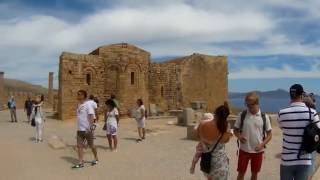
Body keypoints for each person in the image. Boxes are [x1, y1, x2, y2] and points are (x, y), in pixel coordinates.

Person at [278, 84, 320, 180]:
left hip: (287, 160)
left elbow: (282, 127)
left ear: (290, 95)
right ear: (302, 95)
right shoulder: (312, 113)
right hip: (304, 160)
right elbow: (318, 130)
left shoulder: (282, 113)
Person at [234, 92, 272, 180]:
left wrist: (262, 145)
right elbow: (235, 130)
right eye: (247, 104)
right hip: (244, 150)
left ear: (257, 103)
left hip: (258, 152)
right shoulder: (242, 115)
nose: (248, 107)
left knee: (254, 174)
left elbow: (269, 135)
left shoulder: (264, 117)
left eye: (250, 105)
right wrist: (239, 137)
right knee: (241, 173)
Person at [196, 103, 233, 180]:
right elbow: (226, 140)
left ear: (215, 113)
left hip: (207, 162)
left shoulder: (202, 124)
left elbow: (198, 136)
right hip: (220, 162)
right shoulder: (225, 128)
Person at [72, 90, 98, 169]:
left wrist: (90, 128)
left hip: (87, 130)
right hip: (80, 129)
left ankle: (96, 158)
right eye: (77, 94)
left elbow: (91, 116)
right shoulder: (79, 105)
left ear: (84, 96)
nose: (78, 95)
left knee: (91, 145)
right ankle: (81, 162)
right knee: (79, 146)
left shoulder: (88, 105)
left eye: (79, 94)